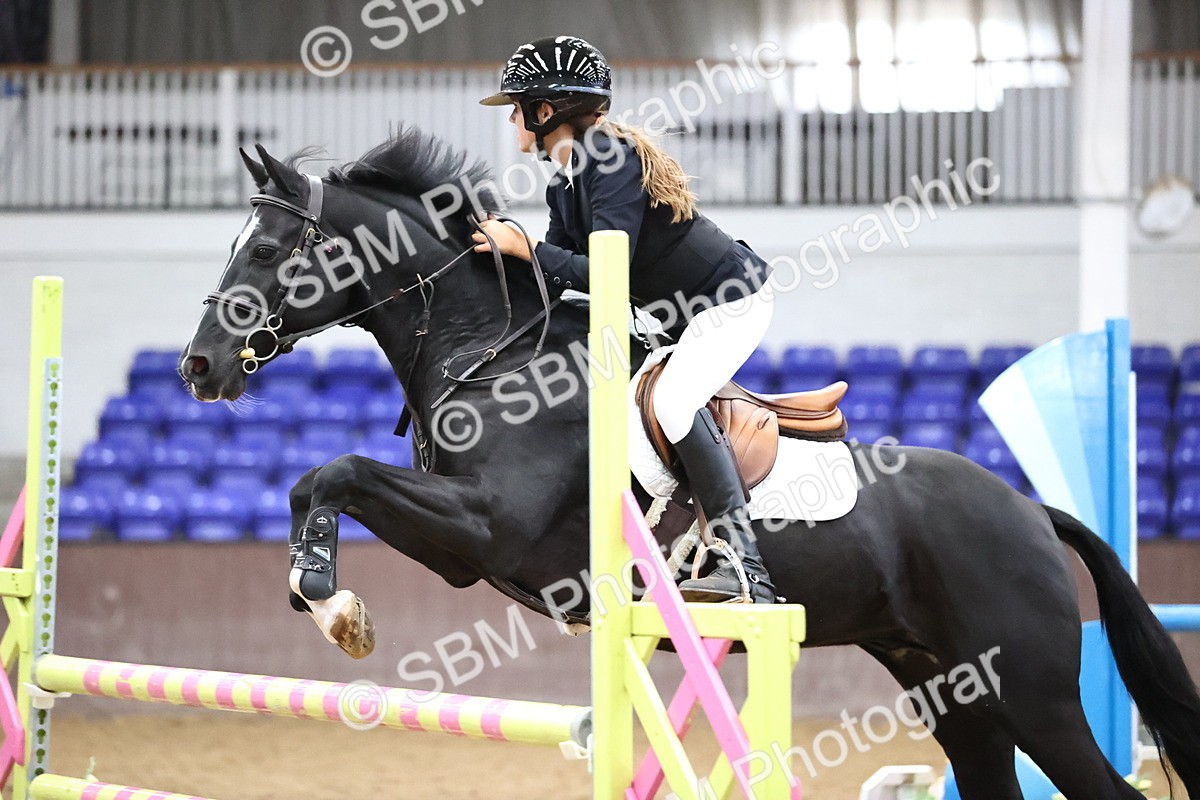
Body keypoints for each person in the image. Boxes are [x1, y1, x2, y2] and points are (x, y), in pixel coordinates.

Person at [475, 36, 778, 604]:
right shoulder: (564, 182)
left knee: (673, 404)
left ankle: (744, 564)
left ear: (546, 110)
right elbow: (559, 280)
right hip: (676, 318)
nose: (512, 118)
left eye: (517, 107)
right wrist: (495, 261)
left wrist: (525, 247)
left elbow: (603, 270)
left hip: (729, 301)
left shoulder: (609, 160)